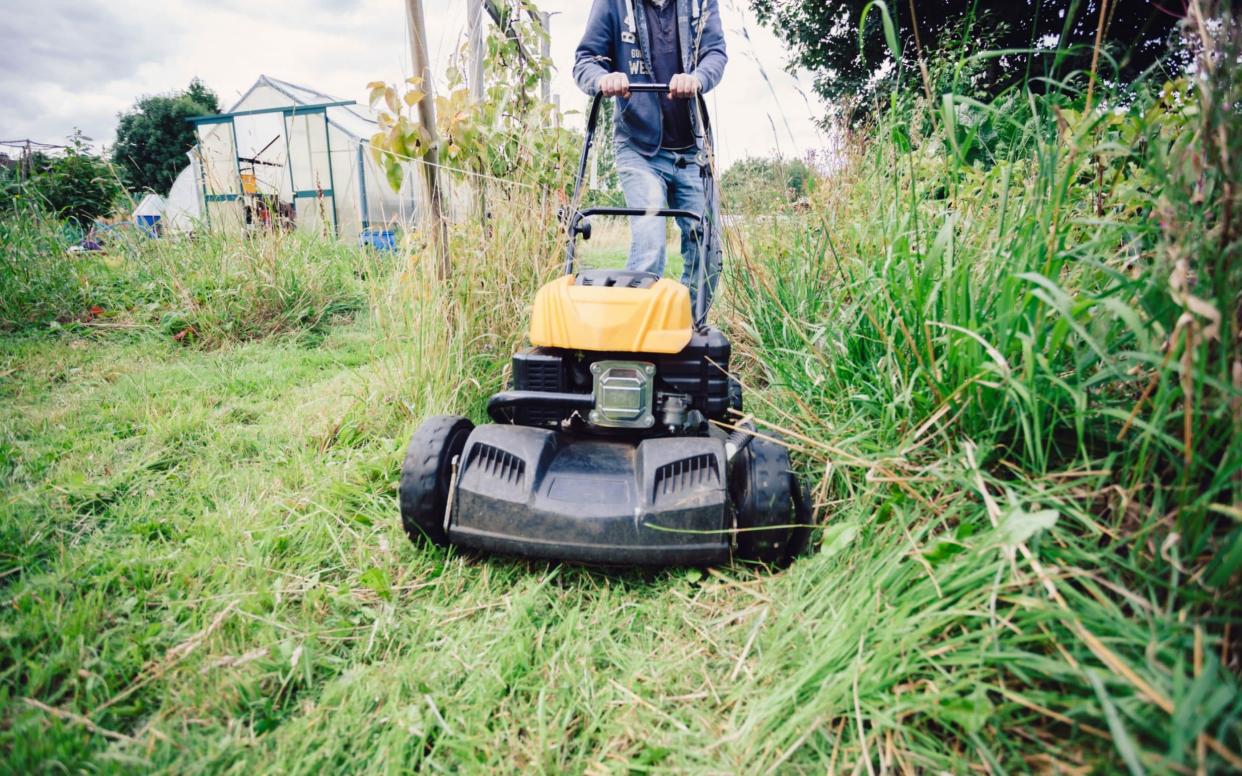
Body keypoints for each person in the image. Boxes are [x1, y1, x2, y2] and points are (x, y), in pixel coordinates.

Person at [574, 0, 727, 309]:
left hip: (693, 149)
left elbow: (715, 53)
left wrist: (697, 78)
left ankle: (687, 325)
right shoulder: (613, 4)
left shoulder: (701, 3)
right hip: (638, 147)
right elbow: (585, 61)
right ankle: (636, 334)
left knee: (707, 249)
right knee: (649, 239)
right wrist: (603, 78)